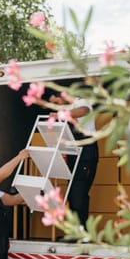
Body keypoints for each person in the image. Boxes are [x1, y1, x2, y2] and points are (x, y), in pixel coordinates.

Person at [48, 93, 98, 228]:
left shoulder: (81, 102)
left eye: (58, 101)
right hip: (73, 154)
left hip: (86, 153)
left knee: (79, 193)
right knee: (72, 194)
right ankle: (76, 231)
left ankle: (82, 232)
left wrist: (60, 115)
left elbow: (83, 111)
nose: (58, 106)